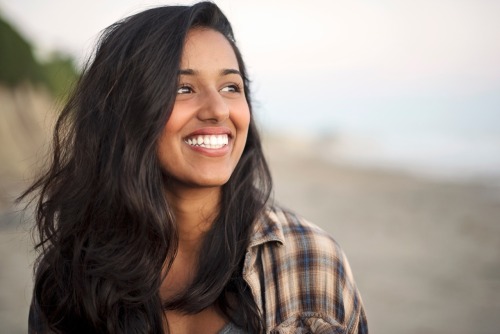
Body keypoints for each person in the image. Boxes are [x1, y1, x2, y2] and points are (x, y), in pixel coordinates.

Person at [21, 2, 368, 333]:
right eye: (183, 88)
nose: (218, 109)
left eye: (231, 87)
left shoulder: (311, 260)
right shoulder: (70, 273)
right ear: (127, 111)